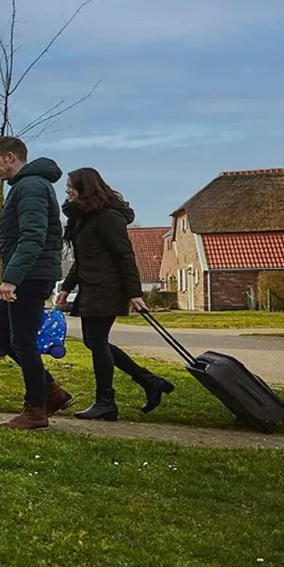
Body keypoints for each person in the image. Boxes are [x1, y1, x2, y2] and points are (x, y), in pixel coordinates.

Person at [56, 167, 175, 420]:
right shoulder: (84, 218)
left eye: (71, 186)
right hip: (92, 286)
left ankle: (106, 402)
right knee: (94, 342)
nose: (67, 191)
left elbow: (125, 255)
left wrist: (135, 292)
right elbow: (82, 259)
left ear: (85, 187)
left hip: (107, 287)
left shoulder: (108, 217)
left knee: (96, 342)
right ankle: (150, 382)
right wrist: (66, 288)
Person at [0, 135, 73, 429]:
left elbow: (33, 236)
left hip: (30, 276)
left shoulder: (32, 186)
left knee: (22, 341)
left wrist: (11, 279)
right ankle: (52, 391)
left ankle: (36, 410)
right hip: (24, 274)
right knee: (0, 334)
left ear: (11, 157)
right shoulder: (24, 186)